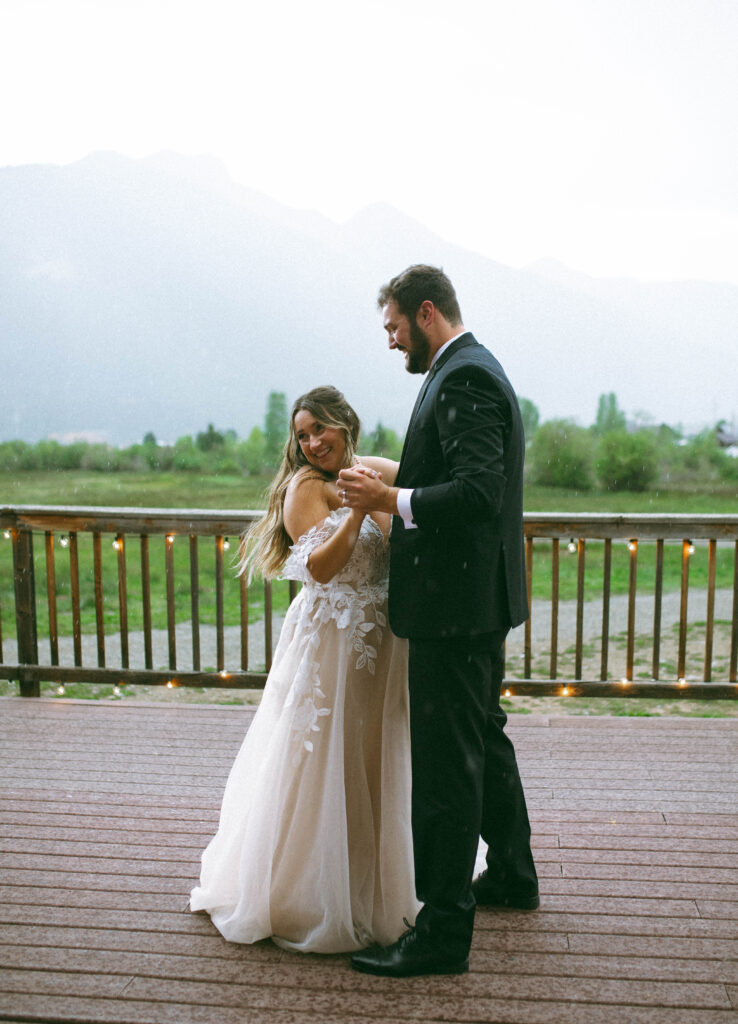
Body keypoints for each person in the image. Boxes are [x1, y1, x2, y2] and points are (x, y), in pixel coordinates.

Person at [339, 264, 538, 977]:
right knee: (483, 738)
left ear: (426, 314)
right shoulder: (473, 367)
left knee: (446, 770)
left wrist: (389, 499)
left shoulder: (463, 377)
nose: (391, 343)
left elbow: (479, 492)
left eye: (393, 327)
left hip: (456, 611)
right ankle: (513, 875)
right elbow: (464, 474)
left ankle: (441, 933)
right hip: (478, 603)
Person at [190, 385, 419, 953]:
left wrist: (384, 494)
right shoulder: (305, 488)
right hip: (332, 641)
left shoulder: (378, 468)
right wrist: (362, 509)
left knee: (374, 752)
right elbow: (319, 568)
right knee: (325, 756)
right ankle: (311, 890)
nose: (313, 443)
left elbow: (424, 490)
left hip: (382, 642)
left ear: (346, 424)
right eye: (302, 435)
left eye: (321, 429)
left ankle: (382, 883)